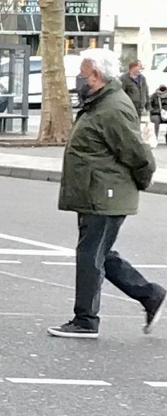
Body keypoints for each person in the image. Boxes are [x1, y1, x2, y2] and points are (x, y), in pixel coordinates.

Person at [49, 47, 163, 339]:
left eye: (82, 74)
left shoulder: (112, 108)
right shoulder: (98, 103)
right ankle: (150, 295)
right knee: (102, 253)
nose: (79, 79)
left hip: (105, 194)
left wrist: (139, 183)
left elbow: (140, 156)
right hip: (97, 192)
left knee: (90, 255)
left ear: (96, 75)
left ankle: (86, 320)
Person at [122, 56, 150, 127]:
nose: (141, 68)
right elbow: (121, 93)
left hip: (140, 108)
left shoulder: (142, 78)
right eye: (139, 66)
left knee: (137, 126)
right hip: (129, 108)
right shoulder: (124, 78)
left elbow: (146, 91)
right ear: (133, 67)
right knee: (130, 126)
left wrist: (148, 105)